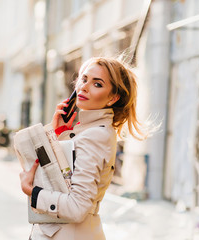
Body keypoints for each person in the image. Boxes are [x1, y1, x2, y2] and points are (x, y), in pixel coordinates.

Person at [19, 56, 147, 239]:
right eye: (84, 79)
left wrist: (32, 192)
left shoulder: (95, 136)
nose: (84, 87)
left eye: (97, 84)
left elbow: (77, 207)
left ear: (113, 98)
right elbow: (62, 180)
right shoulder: (89, 131)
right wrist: (57, 132)